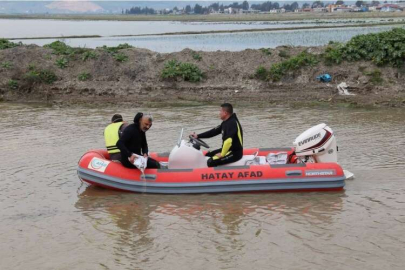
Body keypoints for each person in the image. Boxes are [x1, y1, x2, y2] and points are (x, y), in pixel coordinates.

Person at [191, 103, 243, 167]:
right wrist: (198, 136)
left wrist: (222, 154)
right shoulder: (226, 122)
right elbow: (213, 132)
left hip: (234, 153)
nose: (219, 113)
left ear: (225, 113)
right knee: (208, 155)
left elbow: (228, 141)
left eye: (220, 111)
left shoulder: (231, 123)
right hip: (228, 149)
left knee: (211, 162)